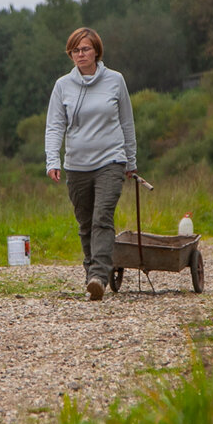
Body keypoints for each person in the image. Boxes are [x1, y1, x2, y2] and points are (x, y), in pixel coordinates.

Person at [44, 27, 137, 301]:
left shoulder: (115, 81)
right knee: (85, 223)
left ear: (96, 50)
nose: (79, 54)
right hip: (77, 164)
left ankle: (98, 275)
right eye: (74, 50)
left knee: (102, 217)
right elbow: (54, 126)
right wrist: (53, 160)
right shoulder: (63, 86)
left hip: (111, 160)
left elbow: (127, 122)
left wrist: (130, 160)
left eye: (84, 49)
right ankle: (92, 275)